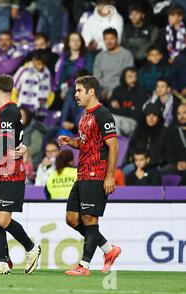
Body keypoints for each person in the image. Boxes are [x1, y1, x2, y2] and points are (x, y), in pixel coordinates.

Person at [0, 74, 42, 275]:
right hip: (0, 171)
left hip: (10, 173)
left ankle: (31, 248)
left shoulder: (9, 112)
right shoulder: (5, 111)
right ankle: (2, 262)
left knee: (3, 220)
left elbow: (5, 142)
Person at [58, 75, 121, 276]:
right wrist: (71, 141)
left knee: (90, 219)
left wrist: (110, 176)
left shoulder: (103, 114)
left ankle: (84, 266)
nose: (75, 95)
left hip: (97, 173)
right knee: (72, 218)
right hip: (83, 173)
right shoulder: (84, 115)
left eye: (79, 91)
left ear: (91, 91)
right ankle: (109, 250)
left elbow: (113, 146)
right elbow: (85, 142)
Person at [93, 27, 134, 100]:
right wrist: (101, 90)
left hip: (120, 89)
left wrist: (113, 91)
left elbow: (129, 77)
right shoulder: (99, 56)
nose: (109, 41)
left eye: (111, 38)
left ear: (117, 39)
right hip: (102, 90)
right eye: (106, 39)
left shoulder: (126, 55)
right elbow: (96, 77)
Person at [109, 67, 148, 137]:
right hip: (118, 120)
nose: (133, 79)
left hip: (135, 124)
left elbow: (137, 114)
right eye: (130, 77)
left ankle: (117, 145)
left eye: (135, 76)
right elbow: (110, 110)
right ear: (124, 77)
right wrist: (130, 109)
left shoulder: (142, 92)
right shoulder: (117, 90)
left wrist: (119, 109)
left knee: (113, 120)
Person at [127, 103, 167, 170]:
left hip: (156, 165)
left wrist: (150, 162)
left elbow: (165, 154)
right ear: (145, 117)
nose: (151, 118)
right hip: (137, 164)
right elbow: (131, 146)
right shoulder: (139, 129)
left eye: (154, 115)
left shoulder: (164, 132)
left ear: (159, 118)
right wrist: (137, 160)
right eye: (148, 115)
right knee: (125, 171)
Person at [53, 32, 94, 98]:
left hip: (83, 88)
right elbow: (61, 76)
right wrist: (59, 90)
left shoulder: (88, 56)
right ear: (68, 42)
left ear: (81, 42)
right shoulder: (64, 57)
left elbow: (87, 76)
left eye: (78, 40)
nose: (76, 42)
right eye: (73, 40)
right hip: (66, 88)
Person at [122, 4, 159, 68]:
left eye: (136, 14)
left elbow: (154, 45)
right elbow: (124, 44)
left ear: (143, 15)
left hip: (147, 62)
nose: (133, 17)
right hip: (130, 61)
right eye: (131, 14)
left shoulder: (152, 29)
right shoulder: (126, 29)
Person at [162, 103, 186, 183]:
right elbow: (168, 152)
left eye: (184, 112)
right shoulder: (172, 132)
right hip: (177, 165)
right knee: (165, 171)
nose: (181, 116)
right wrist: (177, 163)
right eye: (179, 113)